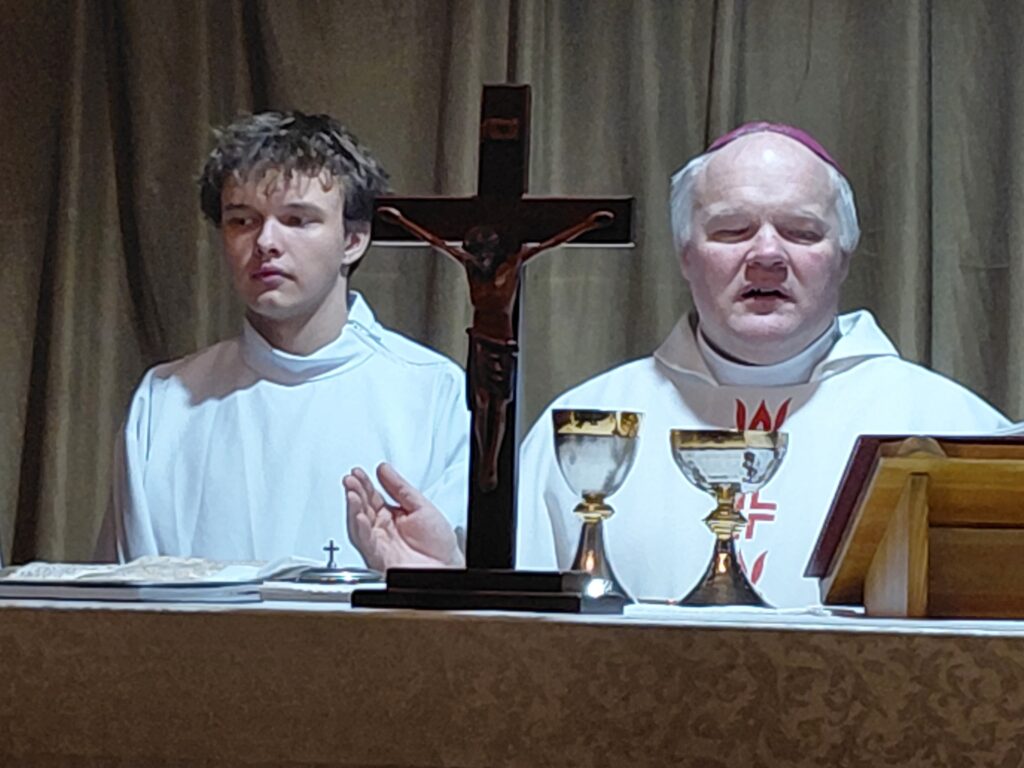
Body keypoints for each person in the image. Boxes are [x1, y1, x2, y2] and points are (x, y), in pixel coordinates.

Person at [514, 122, 1012, 607]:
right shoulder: (583, 426)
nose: (767, 254)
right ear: (685, 254)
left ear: (844, 256)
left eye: (802, 231)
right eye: (733, 230)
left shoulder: (948, 428)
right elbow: (516, 635)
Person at [99, 111, 469, 568]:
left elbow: (457, 587)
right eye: (242, 221)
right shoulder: (166, 400)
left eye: (297, 220)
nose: (266, 242)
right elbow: (124, 590)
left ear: (353, 240)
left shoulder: (433, 393)